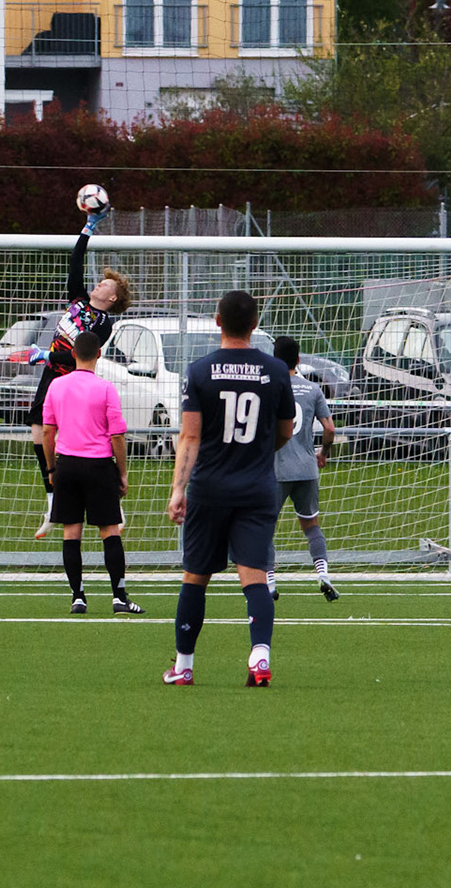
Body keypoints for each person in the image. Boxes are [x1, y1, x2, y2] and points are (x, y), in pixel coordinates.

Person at [164, 290, 296, 687]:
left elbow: (189, 437)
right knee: (254, 576)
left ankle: (184, 666)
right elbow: (286, 431)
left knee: (195, 577)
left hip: (209, 488)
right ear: (255, 325)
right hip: (256, 489)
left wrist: (177, 490)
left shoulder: (200, 370)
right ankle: (259, 657)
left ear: (217, 321)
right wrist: (257, 451)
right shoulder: (275, 371)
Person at [28, 204, 133, 538]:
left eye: (104, 285)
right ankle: (51, 499)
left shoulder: (104, 322)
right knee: (37, 433)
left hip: (74, 379)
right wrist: (88, 228)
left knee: (88, 442)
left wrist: (47, 352)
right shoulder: (77, 300)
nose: (97, 285)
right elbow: (75, 260)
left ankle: (114, 502)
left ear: (113, 297)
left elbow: (81, 353)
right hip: (51, 375)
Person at [40, 331, 144, 615]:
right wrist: (122, 473)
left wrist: (51, 468)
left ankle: (78, 596)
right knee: (109, 530)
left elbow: (48, 431)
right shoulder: (106, 388)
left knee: (71, 532)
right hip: (99, 466)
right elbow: (117, 435)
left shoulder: (56, 387)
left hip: (68, 465)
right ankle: (119, 596)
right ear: (99, 355)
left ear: (73, 354)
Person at [267, 335, 339, 602]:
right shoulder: (313, 389)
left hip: (276, 469)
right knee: (311, 526)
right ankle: (323, 575)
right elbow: (330, 428)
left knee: (265, 527)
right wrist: (323, 453)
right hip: (307, 468)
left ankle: (270, 583)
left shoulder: (270, 389)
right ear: (298, 359)